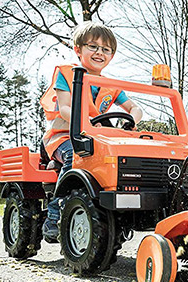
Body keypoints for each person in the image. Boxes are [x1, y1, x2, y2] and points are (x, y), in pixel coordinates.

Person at [40, 22, 143, 242]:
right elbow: (65, 108)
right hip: (64, 137)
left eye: (106, 49)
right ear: (78, 49)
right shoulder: (66, 74)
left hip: (94, 137)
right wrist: (84, 121)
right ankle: (55, 214)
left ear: (112, 55)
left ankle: (112, 213)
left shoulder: (111, 85)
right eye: (93, 46)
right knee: (74, 157)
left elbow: (135, 108)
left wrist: (130, 121)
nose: (99, 53)